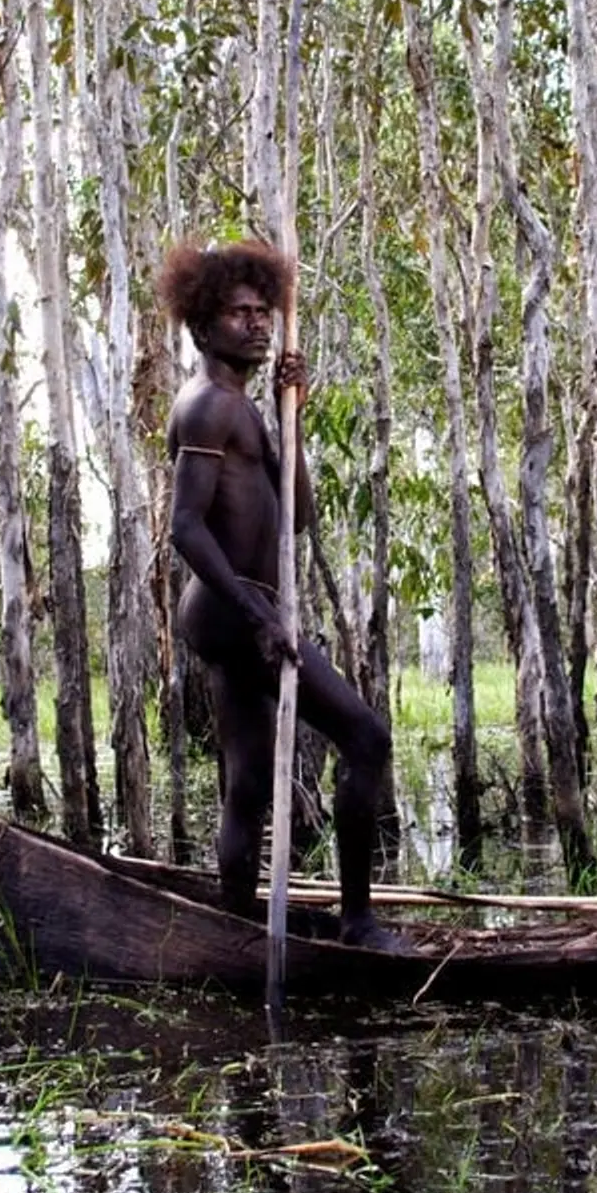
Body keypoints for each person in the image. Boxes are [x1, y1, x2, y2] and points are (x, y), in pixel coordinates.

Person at [156, 239, 403, 952]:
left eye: (265, 312)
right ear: (203, 327)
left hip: (243, 608)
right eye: (240, 314)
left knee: (248, 781)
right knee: (367, 738)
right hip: (232, 611)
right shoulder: (205, 406)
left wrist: (288, 408)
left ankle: (235, 928)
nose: (259, 324)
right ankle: (357, 923)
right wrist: (257, 613)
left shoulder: (244, 406)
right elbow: (185, 528)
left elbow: (301, 514)